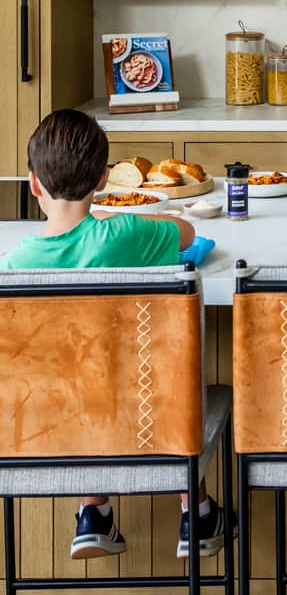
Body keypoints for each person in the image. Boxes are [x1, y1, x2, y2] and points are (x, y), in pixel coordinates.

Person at [3, 109, 230, 560]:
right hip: (145, 419)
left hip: (42, 427)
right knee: (158, 379)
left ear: (33, 184)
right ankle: (196, 511)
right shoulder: (123, 233)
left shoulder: (14, 264)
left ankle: (94, 514)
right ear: (104, 180)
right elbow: (186, 233)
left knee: (76, 384)